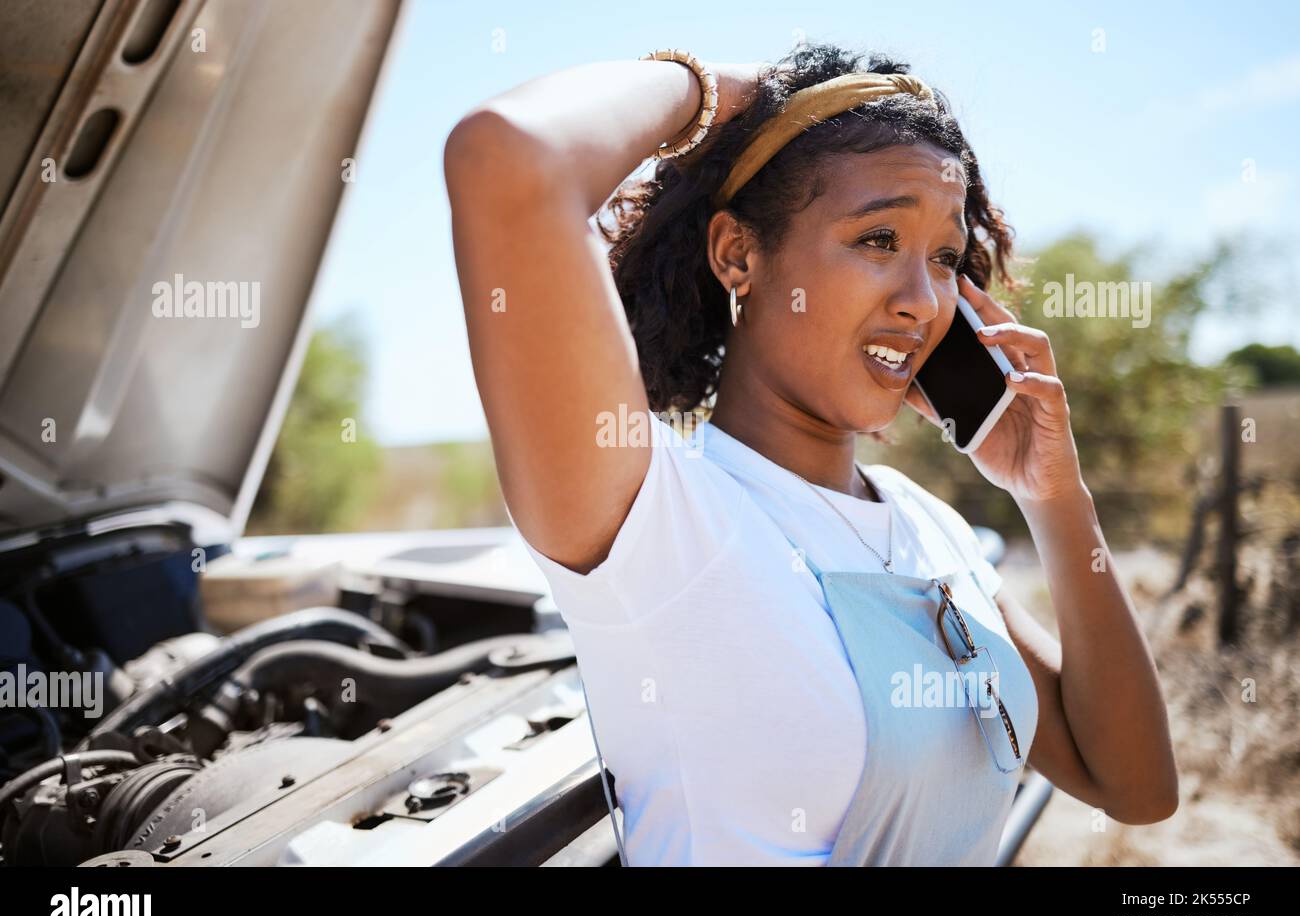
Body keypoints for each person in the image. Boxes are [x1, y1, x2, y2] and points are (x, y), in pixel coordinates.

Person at [443, 42, 1178, 865]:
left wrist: (1054, 496)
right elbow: (506, 157)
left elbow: (1137, 786)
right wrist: (717, 95)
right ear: (738, 255)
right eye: (878, 239)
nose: (923, 301)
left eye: (943, 257)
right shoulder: (655, 518)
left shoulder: (928, 526)